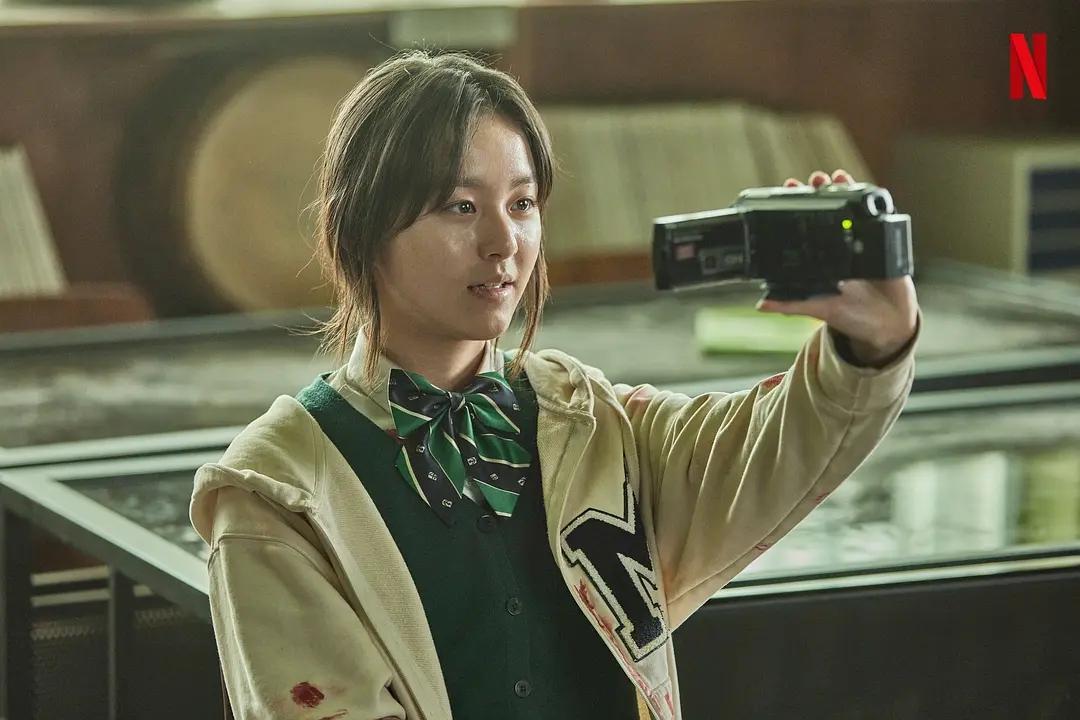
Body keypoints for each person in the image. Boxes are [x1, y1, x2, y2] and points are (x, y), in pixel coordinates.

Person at [189, 48, 922, 720]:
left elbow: (770, 449)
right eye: (460, 206)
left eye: (522, 203)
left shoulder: (585, 419)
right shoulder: (276, 490)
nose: (503, 243)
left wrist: (870, 342)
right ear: (360, 224)